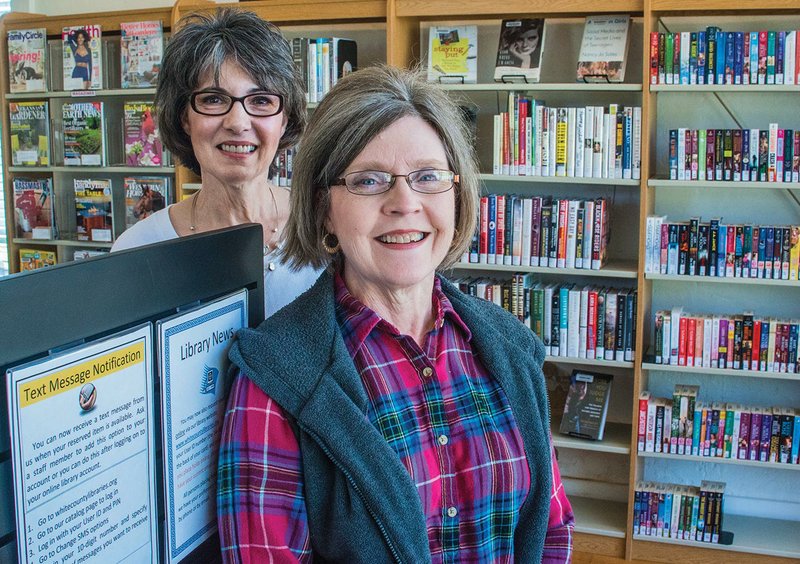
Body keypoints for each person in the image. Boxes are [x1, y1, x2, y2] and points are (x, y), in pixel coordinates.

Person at [218, 65, 574, 562]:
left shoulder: (508, 345)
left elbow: (551, 528)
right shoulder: (274, 378)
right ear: (324, 209)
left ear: (457, 193)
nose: (404, 203)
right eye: (368, 181)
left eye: (428, 177)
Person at [111, 8, 320, 317]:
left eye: (261, 100)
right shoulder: (136, 252)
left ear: (284, 119)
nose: (238, 122)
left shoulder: (326, 231)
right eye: (213, 99)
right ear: (184, 118)